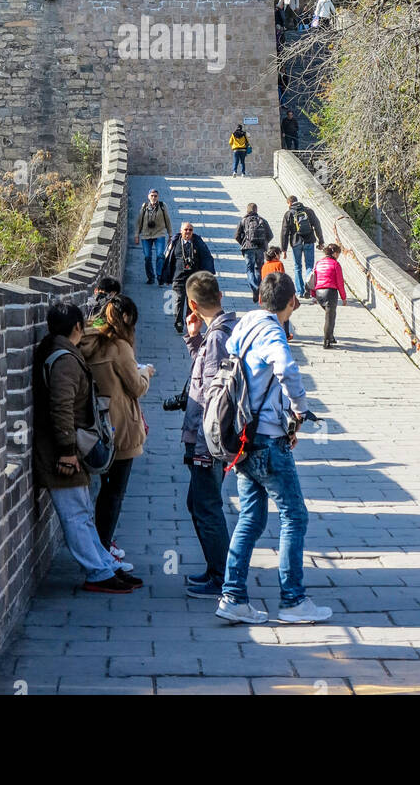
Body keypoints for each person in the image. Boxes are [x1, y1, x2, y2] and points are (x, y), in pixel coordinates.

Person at [217, 272, 332, 625]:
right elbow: (286, 368)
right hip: (267, 440)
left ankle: (233, 596)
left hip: (244, 438)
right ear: (291, 302)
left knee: (250, 518)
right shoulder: (270, 330)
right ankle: (293, 601)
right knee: (294, 516)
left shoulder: (245, 325)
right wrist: (298, 407)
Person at [33, 302, 141, 593]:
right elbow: (61, 407)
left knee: (82, 511)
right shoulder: (65, 360)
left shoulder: (62, 352)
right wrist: (68, 450)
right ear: (78, 327)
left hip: (68, 450)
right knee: (76, 515)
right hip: (60, 453)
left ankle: (105, 564)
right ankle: (97, 573)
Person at [80, 296, 154, 559]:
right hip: (121, 427)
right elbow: (136, 387)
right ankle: (103, 546)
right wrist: (146, 372)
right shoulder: (119, 347)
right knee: (115, 493)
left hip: (94, 427)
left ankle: (100, 542)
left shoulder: (87, 342)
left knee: (105, 489)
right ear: (127, 319)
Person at [181, 272, 238, 598]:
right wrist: (193, 339)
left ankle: (222, 578)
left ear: (192, 303)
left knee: (207, 506)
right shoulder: (221, 332)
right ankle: (216, 570)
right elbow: (207, 378)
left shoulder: (218, 338)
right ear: (219, 294)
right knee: (199, 503)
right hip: (210, 439)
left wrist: (204, 448)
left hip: (208, 440)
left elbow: (214, 400)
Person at [159, 221, 216, 334]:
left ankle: (189, 321)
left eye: (190, 230)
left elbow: (205, 258)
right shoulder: (175, 243)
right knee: (178, 300)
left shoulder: (197, 243)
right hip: (178, 277)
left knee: (192, 302)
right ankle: (178, 322)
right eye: (186, 230)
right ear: (181, 231)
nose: (188, 232)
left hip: (193, 279)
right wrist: (167, 277)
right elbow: (168, 260)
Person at [280, 194, 324, 298]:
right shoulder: (308, 211)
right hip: (309, 241)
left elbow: (284, 232)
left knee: (297, 267)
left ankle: (300, 291)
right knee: (309, 266)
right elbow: (317, 225)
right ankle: (308, 287)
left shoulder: (288, 214)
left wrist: (284, 249)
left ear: (289, 203)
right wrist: (321, 241)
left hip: (296, 243)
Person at [235, 202, 274, 303]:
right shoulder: (262, 220)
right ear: (256, 210)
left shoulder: (243, 220)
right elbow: (270, 235)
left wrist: (243, 243)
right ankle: (259, 290)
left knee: (249, 269)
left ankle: (255, 288)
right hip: (260, 248)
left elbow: (237, 236)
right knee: (259, 269)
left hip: (248, 248)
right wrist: (264, 242)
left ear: (247, 210)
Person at [311, 244, 347, 349]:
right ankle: (327, 341)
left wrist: (314, 295)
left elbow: (314, 279)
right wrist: (344, 298)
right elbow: (340, 283)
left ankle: (331, 336)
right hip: (330, 292)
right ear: (335, 253)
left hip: (319, 292)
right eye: (338, 254)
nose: (338, 256)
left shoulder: (318, 263)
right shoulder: (335, 264)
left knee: (330, 315)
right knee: (329, 318)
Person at [134, 187, 172, 284]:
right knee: (147, 257)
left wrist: (170, 235)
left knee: (160, 255)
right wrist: (136, 235)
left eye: (155, 196)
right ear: (148, 196)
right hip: (146, 235)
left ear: (158, 197)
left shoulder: (163, 206)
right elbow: (139, 221)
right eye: (152, 196)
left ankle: (159, 276)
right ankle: (151, 277)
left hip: (159, 234)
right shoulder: (144, 206)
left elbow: (167, 220)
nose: (154, 198)